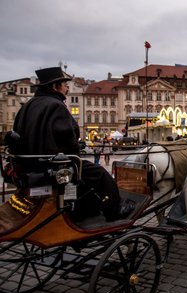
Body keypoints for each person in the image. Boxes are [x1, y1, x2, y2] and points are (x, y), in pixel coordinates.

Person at [10, 67, 134, 222]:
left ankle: (87, 209)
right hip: (52, 167)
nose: (67, 87)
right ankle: (115, 209)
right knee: (99, 173)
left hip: (30, 166)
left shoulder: (28, 105)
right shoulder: (55, 105)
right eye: (64, 84)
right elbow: (67, 140)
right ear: (55, 87)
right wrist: (76, 147)